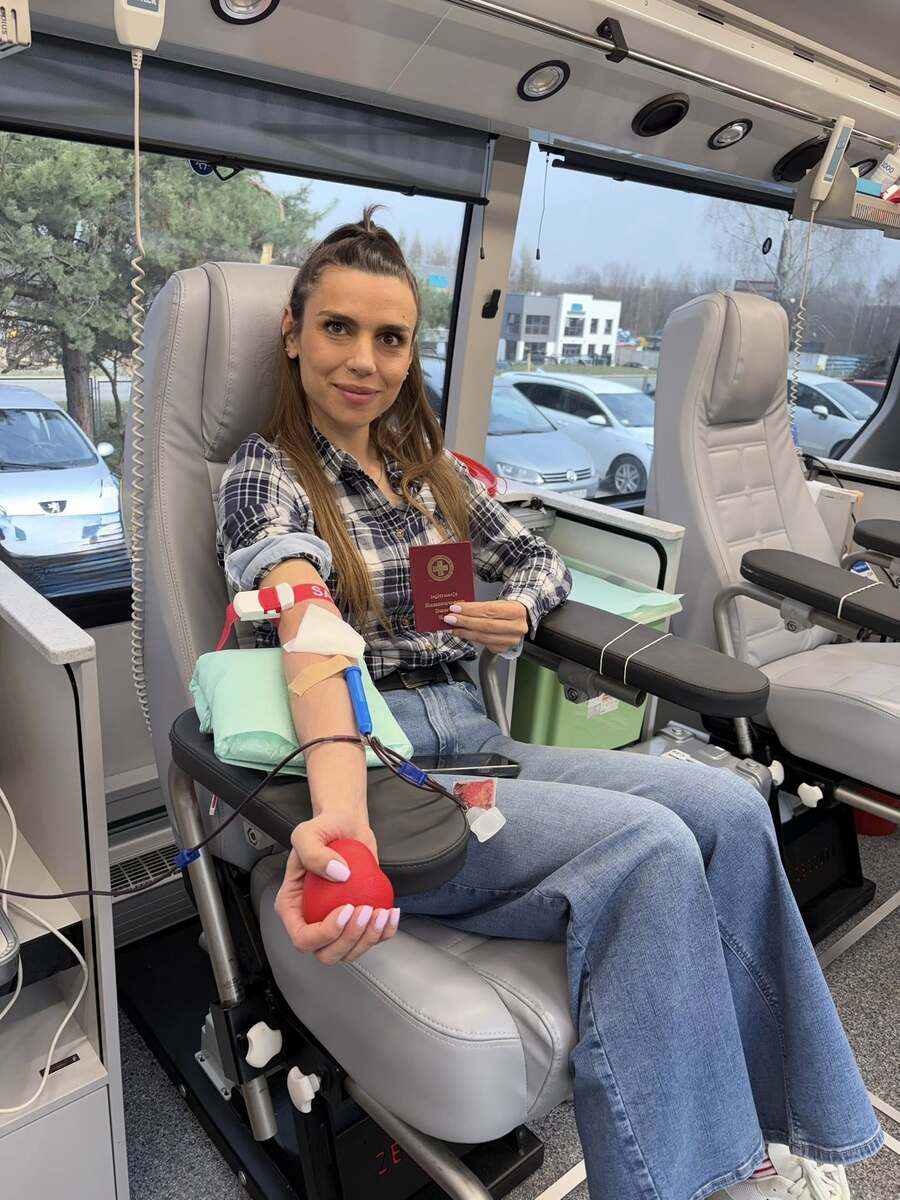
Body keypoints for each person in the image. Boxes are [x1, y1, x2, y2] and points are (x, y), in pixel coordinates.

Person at [216, 207, 882, 1200]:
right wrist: (344, 825)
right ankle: (710, 1182)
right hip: (388, 770)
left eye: (390, 338)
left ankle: (778, 1131)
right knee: (650, 848)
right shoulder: (265, 472)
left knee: (734, 806)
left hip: (479, 743)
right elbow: (308, 628)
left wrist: (517, 612)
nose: (364, 360)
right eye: (338, 329)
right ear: (293, 333)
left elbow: (537, 558)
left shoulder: (423, 472)